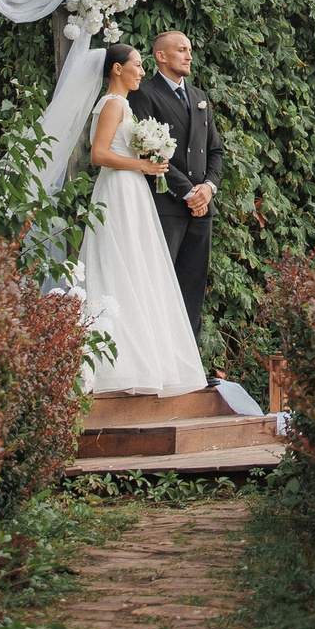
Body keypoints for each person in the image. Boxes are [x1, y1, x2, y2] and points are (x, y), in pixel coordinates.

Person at [77, 42, 208, 397]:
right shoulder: (113, 104)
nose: (140, 70)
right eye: (135, 65)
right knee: (118, 263)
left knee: (136, 268)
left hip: (133, 192)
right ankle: (112, 365)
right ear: (117, 69)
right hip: (118, 190)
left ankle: (140, 359)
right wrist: (145, 165)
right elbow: (99, 154)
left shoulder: (125, 107)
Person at [130, 29, 224, 343]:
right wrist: (188, 192)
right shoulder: (144, 95)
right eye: (182, 50)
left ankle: (190, 367)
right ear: (161, 56)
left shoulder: (200, 97)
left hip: (202, 209)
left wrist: (208, 188)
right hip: (167, 206)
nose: (189, 55)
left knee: (193, 287)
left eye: (189, 49)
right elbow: (149, 151)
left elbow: (215, 151)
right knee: (159, 285)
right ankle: (158, 360)